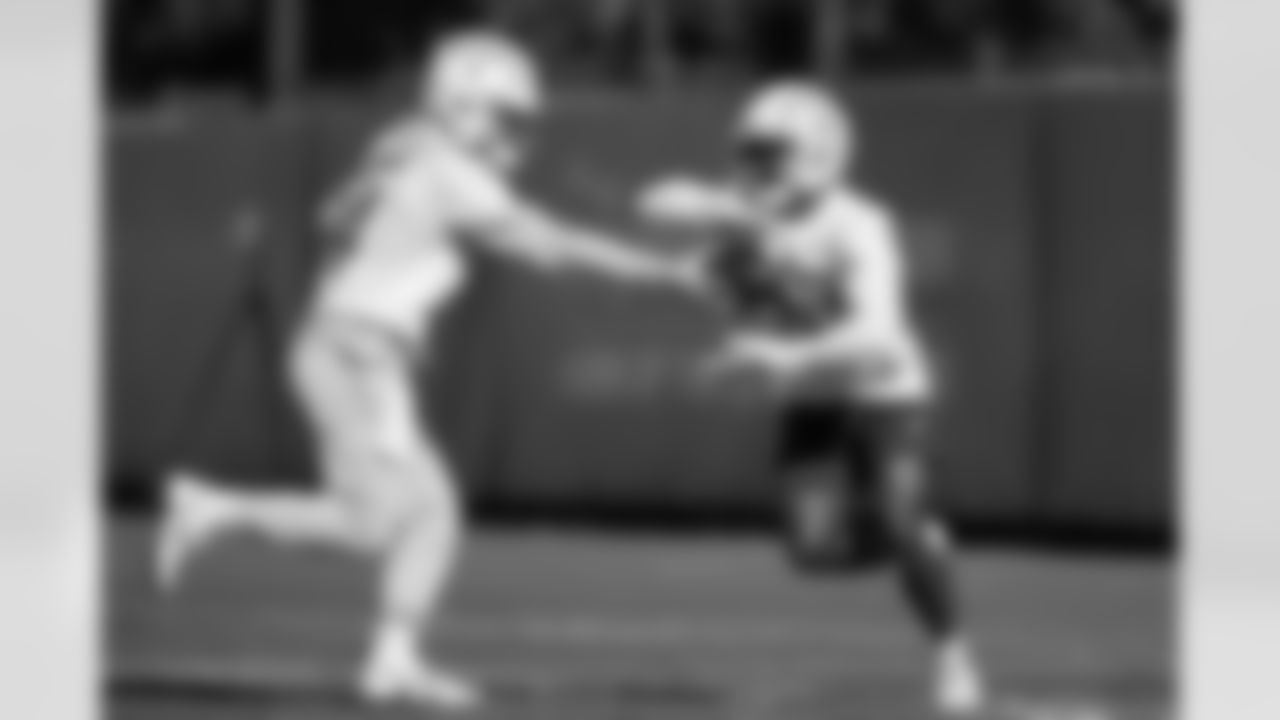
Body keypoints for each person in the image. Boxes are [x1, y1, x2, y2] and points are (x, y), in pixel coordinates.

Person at [155, 29, 699, 712]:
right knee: (375, 523)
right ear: (460, 105)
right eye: (505, 117)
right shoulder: (449, 172)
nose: (515, 135)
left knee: (431, 512)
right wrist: (668, 273)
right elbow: (557, 248)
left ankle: (392, 660)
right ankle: (211, 510)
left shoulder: (406, 146)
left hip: (355, 350)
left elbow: (329, 218)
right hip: (355, 353)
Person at [637, 80, 990, 716]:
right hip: (811, 402)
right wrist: (720, 225)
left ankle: (952, 651)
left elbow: (879, 337)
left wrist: (782, 356)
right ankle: (919, 542)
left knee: (900, 517)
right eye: (751, 153)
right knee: (813, 550)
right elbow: (652, 204)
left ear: (821, 155)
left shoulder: (859, 224)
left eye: (771, 154)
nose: (756, 169)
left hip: (884, 393)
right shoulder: (745, 224)